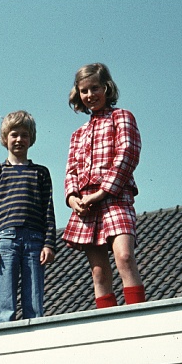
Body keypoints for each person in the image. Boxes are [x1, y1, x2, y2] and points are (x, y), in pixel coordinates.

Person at [62, 62, 146, 308]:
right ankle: (106, 322)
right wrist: (72, 198)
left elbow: (128, 153)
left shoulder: (122, 117)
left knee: (125, 257)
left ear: (107, 88)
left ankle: (137, 316)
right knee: (98, 272)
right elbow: (71, 170)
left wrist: (101, 192)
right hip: (87, 205)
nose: (90, 95)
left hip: (114, 198)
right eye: (84, 91)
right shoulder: (78, 133)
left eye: (95, 88)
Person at [0, 110, 56, 322]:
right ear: (5, 138)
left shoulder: (40, 172)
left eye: (24, 134)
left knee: (34, 303)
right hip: (6, 240)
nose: (19, 139)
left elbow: (48, 210)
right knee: (5, 303)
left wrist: (49, 244)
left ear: (31, 138)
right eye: (14, 134)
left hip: (34, 240)